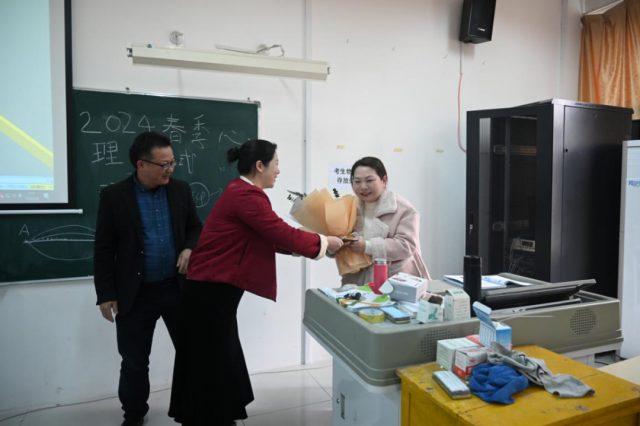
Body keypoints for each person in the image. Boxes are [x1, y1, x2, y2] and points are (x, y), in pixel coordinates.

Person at [168, 139, 343, 426]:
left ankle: (219, 414)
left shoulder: (242, 192)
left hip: (214, 288)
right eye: (276, 164)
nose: (279, 171)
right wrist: (325, 242)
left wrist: (315, 244)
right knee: (210, 356)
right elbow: (279, 232)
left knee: (218, 352)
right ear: (260, 165)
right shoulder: (246, 195)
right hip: (209, 290)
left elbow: (269, 235)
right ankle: (209, 417)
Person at [93, 131, 202, 426]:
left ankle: (195, 409)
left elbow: (195, 226)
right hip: (135, 293)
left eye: (172, 162)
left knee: (192, 354)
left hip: (177, 289)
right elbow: (104, 248)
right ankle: (134, 414)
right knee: (134, 361)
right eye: (164, 164)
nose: (170, 169)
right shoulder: (114, 196)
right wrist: (105, 293)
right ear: (141, 165)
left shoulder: (180, 190)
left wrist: (190, 247)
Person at [341, 156, 430, 284]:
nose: (363, 187)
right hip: (357, 282)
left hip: (395, 281)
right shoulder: (350, 208)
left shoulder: (404, 209)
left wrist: (367, 246)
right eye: (357, 181)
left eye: (369, 180)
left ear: (384, 180)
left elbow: (406, 245)